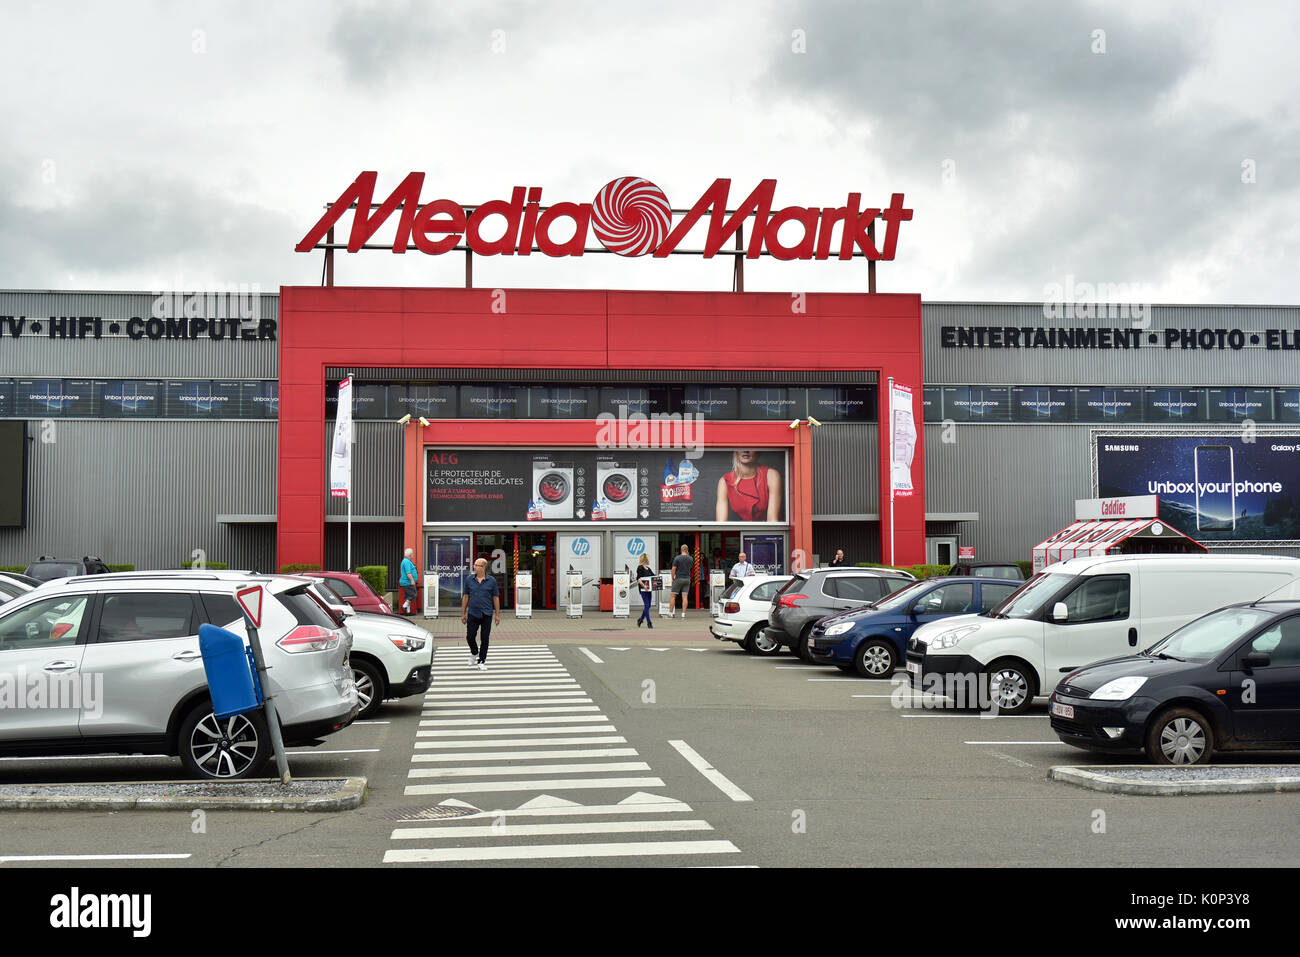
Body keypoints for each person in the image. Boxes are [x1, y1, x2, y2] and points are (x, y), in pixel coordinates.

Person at [715, 450, 783, 522]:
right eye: (741, 446)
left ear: (758, 451)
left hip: (768, 531)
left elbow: (773, 520)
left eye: (750, 446)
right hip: (743, 531)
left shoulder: (772, 475)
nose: (745, 451)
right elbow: (721, 523)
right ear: (735, 451)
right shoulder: (725, 481)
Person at [460, 558, 500, 671]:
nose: (474, 567)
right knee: (470, 636)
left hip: (487, 613)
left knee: (485, 638)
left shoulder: (491, 581)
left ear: (483, 567)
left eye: (476, 565)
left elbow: (495, 598)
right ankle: (474, 652)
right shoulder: (469, 580)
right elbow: (466, 597)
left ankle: (481, 661)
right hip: (473, 613)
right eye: (474, 565)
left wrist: (497, 615)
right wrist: (463, 613)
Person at [670, 544, 692, 618]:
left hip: (678, 578)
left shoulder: (677, 558)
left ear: (681, 550)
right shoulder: (690, 558)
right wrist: (688, 555)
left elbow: (673, 569)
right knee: (685, 597)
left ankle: (670, 613)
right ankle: (683, 614)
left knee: (673, 596)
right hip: (687, 579)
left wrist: (672, 577)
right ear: (687, 550)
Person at [635, 553, 655, 628]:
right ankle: (649, 622)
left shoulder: (648, 568)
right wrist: (644, 586)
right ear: (645, 559)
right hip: (643, 589)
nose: (649, 560)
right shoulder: (640, 568)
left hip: (649, 589)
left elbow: (653, 577)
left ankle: (640, 619)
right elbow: (639, 579)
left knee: (648, 605)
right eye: (648, 559)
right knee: (646, 605)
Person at [399, 547, 418, 614]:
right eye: (412, 554)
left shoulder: (406, 561)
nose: (413, 555)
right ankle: (404, 606)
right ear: (410, 555)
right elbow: (408, 573)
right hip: (408, 582)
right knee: (413, 595)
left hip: (406, 582)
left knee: (408, 597)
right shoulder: (406, 561)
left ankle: (408, 612)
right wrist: (412, 581)